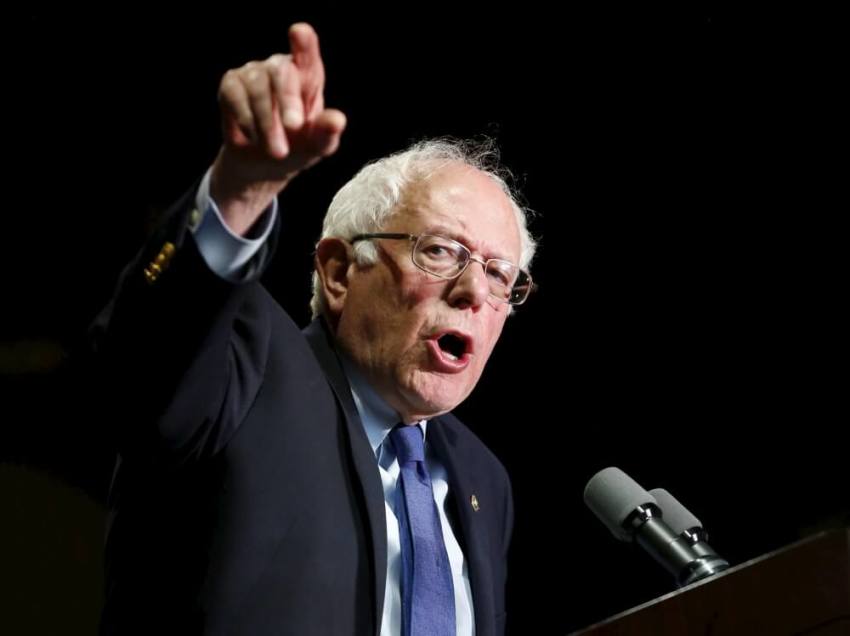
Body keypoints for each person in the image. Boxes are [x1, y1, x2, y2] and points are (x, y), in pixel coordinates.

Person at [91, 22, 537, 636]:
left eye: (499, 274)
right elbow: (140, 367)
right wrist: (239, 191)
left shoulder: (485, 480)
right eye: (439, 251)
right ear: (338, 272)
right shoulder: (247, 367)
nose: (474, 292)